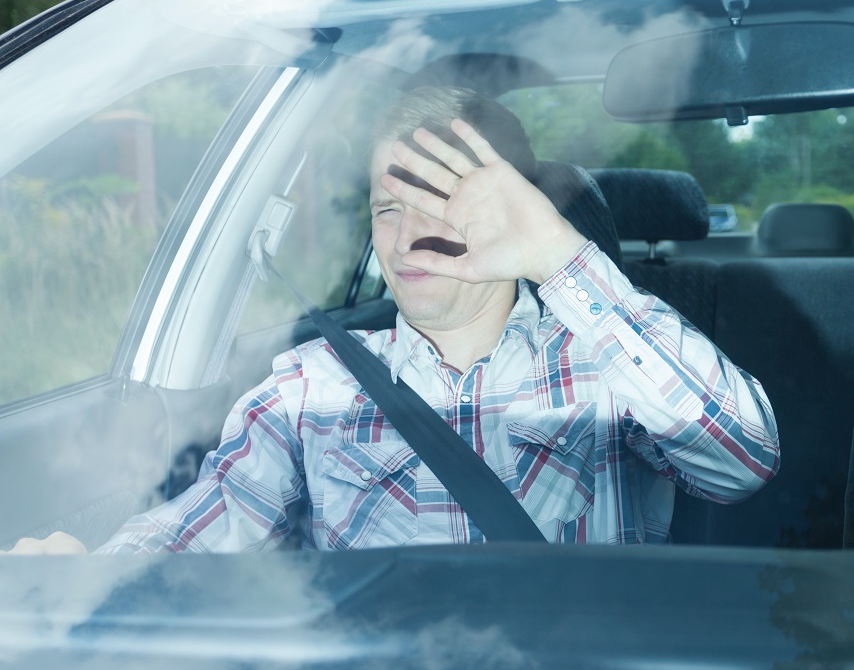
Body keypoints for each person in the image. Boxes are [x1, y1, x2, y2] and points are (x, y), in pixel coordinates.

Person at [6, 86, 779, 554]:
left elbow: (742, 458)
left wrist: (560, 257)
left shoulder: (613, 367)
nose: (406, 237)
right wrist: (95, 573)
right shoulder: (312, 386)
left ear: (513, 209)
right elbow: (206, 525)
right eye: (387, 207)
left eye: (439, 201)